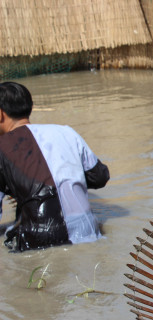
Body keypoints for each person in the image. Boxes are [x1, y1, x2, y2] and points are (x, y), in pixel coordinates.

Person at [0, 81, 110, 252]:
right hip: (87, 231)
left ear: (0, 114)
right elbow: (100, 177)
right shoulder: (66, 132)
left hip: (39, 241)